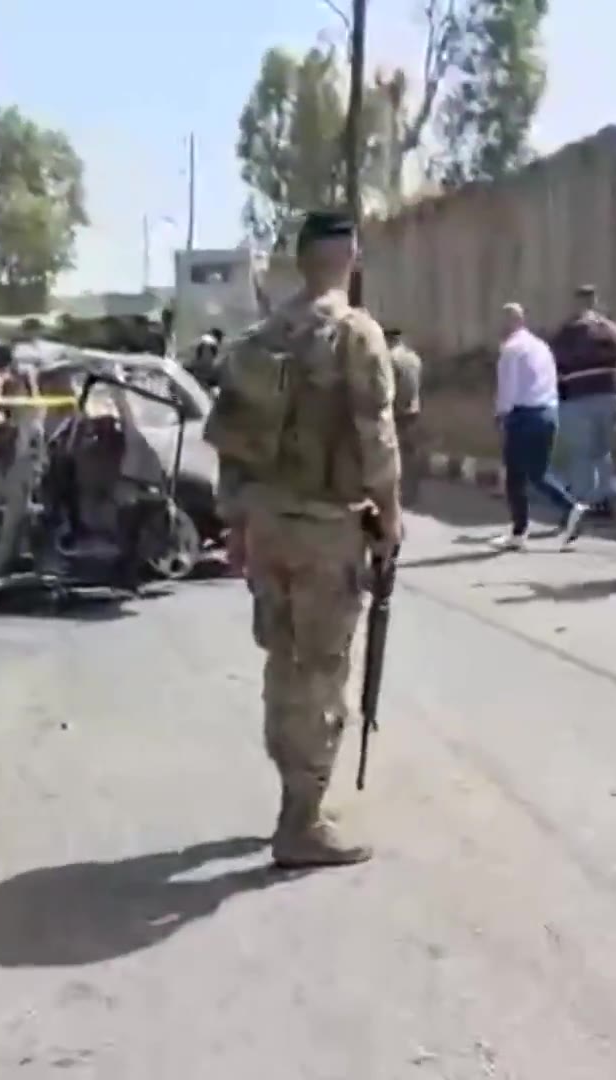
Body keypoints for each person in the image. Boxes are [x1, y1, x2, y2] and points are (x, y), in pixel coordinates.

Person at [203, 209, 401, 869]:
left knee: (283, 661)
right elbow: (378, 439)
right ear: (350, 257)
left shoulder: (260, 339)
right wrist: (390, 518)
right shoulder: (355, 333)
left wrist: (236, 525)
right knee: (320, 671)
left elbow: (232, 447)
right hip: (324, 529)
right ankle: (301, 821)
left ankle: (294, 799)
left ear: (301, 258)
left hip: (267, 526)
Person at [493, 303, 586, 551]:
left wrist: (501, 416)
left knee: (515, 476)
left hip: (523, 416)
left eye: (503, 320)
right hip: (548, 413)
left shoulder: (511, 349)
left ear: (512, 322)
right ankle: (567, 509)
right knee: (538, 473)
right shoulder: (541, 346)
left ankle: (522, 530)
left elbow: (507, 389)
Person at [550, 285, 616, 517]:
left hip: (579, 397)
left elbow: (554, 363)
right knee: (602, 452)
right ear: (595, 301)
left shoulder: (568, 331)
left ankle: (582, 502)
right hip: (609, 395)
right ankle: (602, 500)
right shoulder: (608, 328)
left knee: (582, 454)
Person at [385, 328, 425, 501]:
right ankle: (412, 490)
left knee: (394, 454)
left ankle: (398, 492)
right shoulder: (414, 357)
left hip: (397, 411)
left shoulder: (389, 358)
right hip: (413, 409)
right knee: (410, 451)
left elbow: (388, 387)